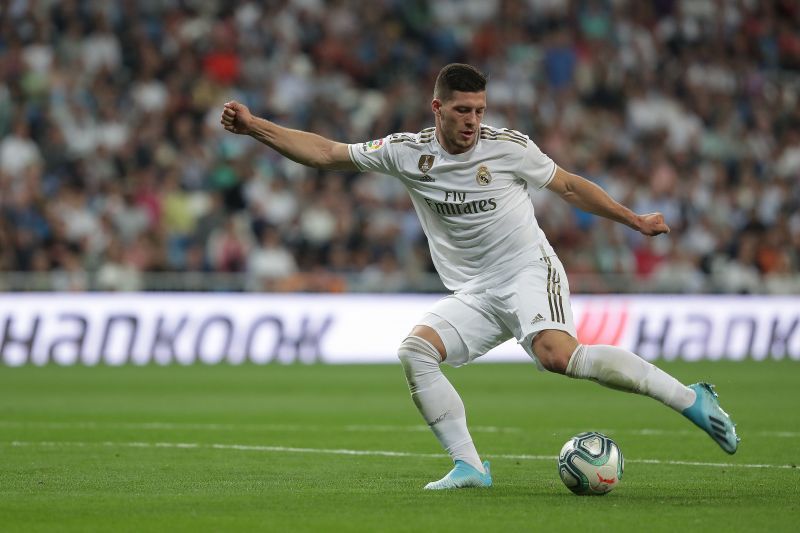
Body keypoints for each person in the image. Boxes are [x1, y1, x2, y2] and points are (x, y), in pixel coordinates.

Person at [220, 63, 739, 490]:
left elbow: (571, 188)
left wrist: (634, 219)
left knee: (556, 356)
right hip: (474, 289)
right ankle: (471, 466)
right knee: (414, 351)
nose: (472, 121)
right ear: (438, 108)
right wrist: (254, 128)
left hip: (528, 270)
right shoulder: (408, 152)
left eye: (480, 111)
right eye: (463, 110)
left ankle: (690, 398)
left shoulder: (509, 148)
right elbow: (327, 154)